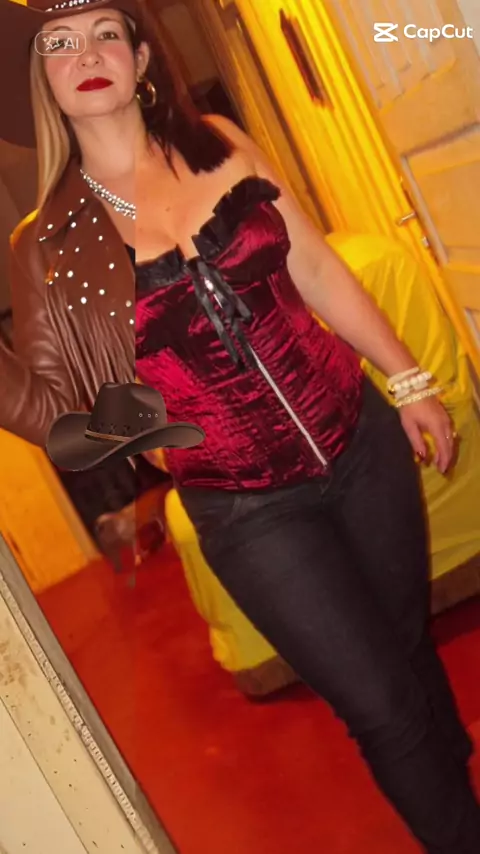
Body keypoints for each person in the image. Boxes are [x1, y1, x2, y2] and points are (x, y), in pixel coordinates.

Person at [0, 0, 478, 850]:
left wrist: (408, 381)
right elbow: (65, 413)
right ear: (43, 80)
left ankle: (454, 783)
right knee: (379, 705)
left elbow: (317, 268)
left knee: (405, 648)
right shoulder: (48, 245)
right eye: (61, 44)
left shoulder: (216, 143)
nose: (89, 55)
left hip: (360, 441)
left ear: (142, 57)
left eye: (107, 33)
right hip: (247, 510)